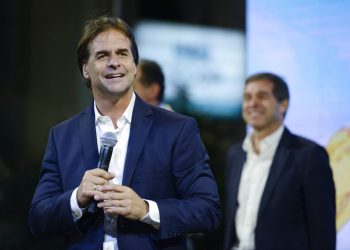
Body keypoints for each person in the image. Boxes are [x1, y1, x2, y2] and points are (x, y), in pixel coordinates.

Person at [29, 16, 221, 250]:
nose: (114, 62)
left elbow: (207, 209)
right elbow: (38, 219)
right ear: (85, 69)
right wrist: (76, 198)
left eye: (122, 53)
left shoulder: (176, 129)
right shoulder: (62, 136)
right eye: (102, 55)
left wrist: (146, 210)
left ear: (135, 66)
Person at [223, 72, 336, 250]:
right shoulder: (235, 154)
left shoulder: (309, 155)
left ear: (283, 104)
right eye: (247, 97)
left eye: (262, 96)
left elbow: (322, 231)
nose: (252, 103)